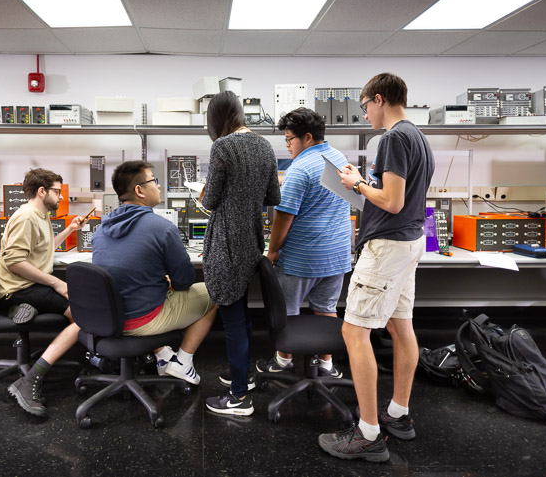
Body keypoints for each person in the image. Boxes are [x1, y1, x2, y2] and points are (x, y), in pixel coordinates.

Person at [317, 73, 434, 462]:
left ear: (379, 99)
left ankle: (368, 434)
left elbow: (393, 202)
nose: (365, 114)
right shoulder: (417, 136)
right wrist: (366, 186)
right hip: (408, 243)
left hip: (387, 247)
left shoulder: (393, 138)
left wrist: (356, 184)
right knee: (401, 328)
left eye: (365, 106)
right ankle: (398, 414)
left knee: (354, 331)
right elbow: (399, 196)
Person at [91, 160, 217, 385]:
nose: (158, 186)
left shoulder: (101, 229)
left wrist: (157, 278)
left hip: (107, 318)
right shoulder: (162, 228)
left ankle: (163, 355)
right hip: (141, 319)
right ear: (139, 190)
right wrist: (167, 280)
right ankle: (183, 363)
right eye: (154, 181)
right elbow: (184, 281)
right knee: (215, 292)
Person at [255, 107, 352, 378]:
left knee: (288, 312)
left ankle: (283, 362)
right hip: (336, 256)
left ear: (307, 137)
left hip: (303, 258)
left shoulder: (299, 169)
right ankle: (326, 365)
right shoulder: (337, 157)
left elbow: (283, 217)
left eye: (289, 139)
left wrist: (272, 251)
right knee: (326, 309)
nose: (287, 145)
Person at [201, 90, 280, 416]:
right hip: (251, 243)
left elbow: (209, 201)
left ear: (217, 118)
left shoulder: (222, 147)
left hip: (226, 245)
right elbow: (273, 197)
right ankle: (242, 376)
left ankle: (238, 398)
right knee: (242, 314)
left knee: (233, 321)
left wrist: (212, 191)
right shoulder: (265, 146)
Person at [0, 168, 86, 418]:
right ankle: (29, 381)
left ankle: (24, 310)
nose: (61, 196)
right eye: (57, 191)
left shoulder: (40, 215)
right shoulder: (26, 217)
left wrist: (70, 230)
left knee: (81, 304)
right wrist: (56, 284)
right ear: (41, 191)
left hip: (30, 284)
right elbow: (14, 262)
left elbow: (43, 249)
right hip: (19, 288)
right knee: (83, 317)